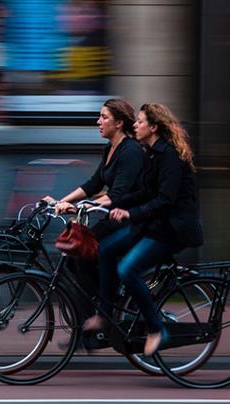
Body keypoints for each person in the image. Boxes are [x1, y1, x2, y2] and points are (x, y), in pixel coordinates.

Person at [85, 103, 203, 356]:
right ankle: (105, 315)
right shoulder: (151, 152)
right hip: (153, 225)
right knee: (104, 249)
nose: (135, 126)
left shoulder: (169, 155)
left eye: (139, 122)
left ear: (154, 127)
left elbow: (165, 200)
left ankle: (157, 329)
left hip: (172, 230)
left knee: (127, 269)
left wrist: (130, 213)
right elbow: (145, 192)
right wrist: (116, 203)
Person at [42, 99, 144, 310]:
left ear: (119, 123)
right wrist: (62, 201)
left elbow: (117, 195)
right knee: (75, 257)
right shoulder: (109, 149)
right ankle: (99, 308)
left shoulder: (131, 151)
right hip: (113, 219)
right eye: (99, 116)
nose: (98, 121)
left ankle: (107, 307)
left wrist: (83, 207)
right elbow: (94, 184)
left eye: (104, 117)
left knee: (85, 252)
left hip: (130, 220)